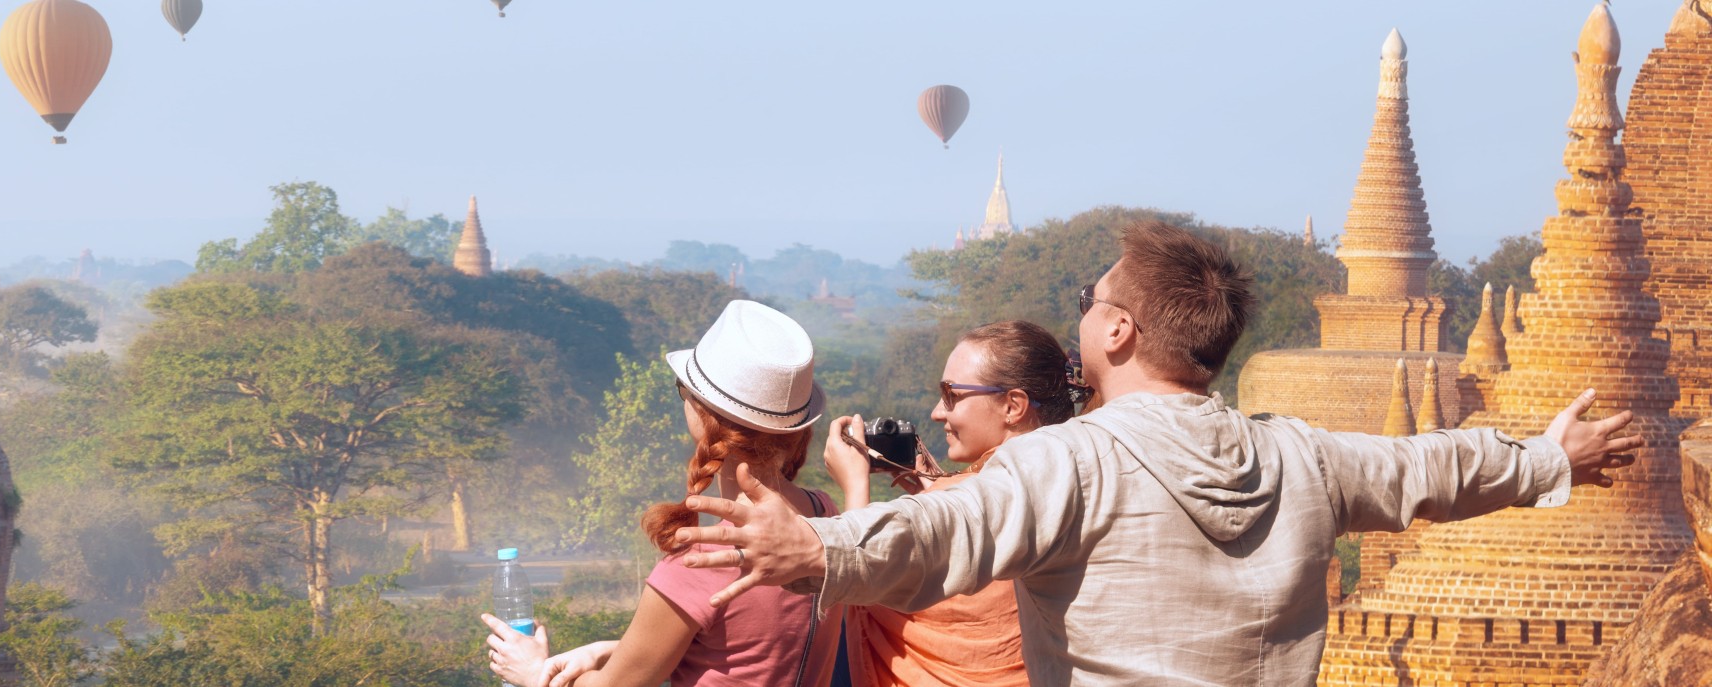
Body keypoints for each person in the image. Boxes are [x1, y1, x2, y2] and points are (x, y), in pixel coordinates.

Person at [670, 220, 1641, 685]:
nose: (1083, 314)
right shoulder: (1302, 456)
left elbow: (950, 528)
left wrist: (822, 550)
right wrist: (1547, 459)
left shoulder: (1074, 463)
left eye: (1093, 301)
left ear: (1121, 334)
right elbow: (1430, 468)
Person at [483, 300, 845, 687]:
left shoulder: (702, 564)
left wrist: (534, 674)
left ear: (702, 416)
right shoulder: (827, 517)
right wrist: (609, 649)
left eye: (683, 391)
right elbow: (746, 648)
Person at [824, 320, 1077, 687]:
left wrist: (854, 483)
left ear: (1012, 405)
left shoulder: (974, 495)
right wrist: (937, 495)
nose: (936, 413)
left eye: (951, 396)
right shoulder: (1071, 476)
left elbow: (858, 579)